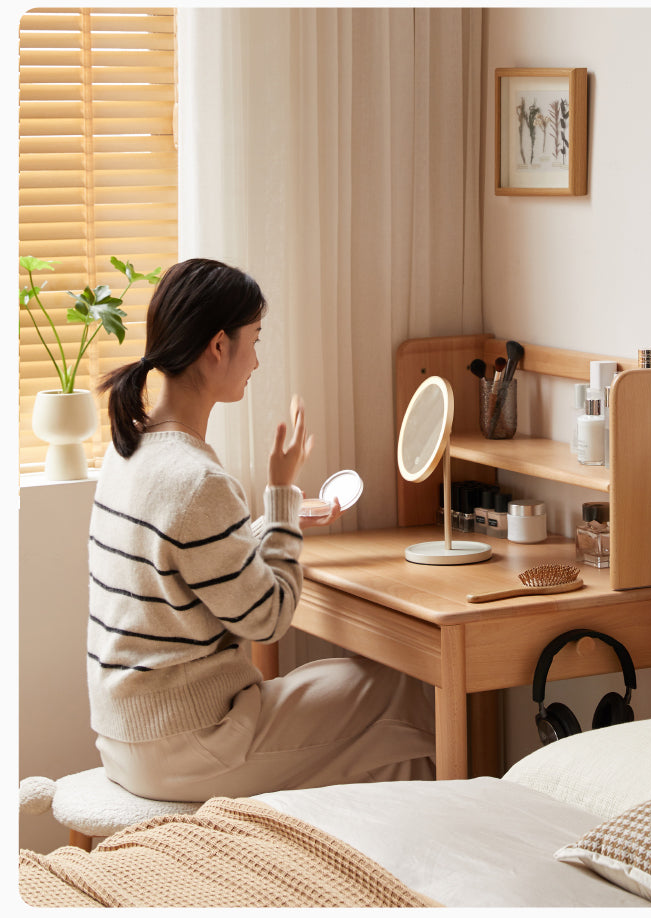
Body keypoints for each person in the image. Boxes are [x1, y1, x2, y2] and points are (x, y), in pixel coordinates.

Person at [88, 257, 435, 802]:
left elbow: (183, 559)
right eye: (254, 339)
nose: (257, 359)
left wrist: (284, 514)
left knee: (368, 719)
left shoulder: (127, 449)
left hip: (125, 735)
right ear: (219, 347)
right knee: (404, 692)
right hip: (190, 743)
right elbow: (268, 618)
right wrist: (279, 491)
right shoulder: (197, 480)